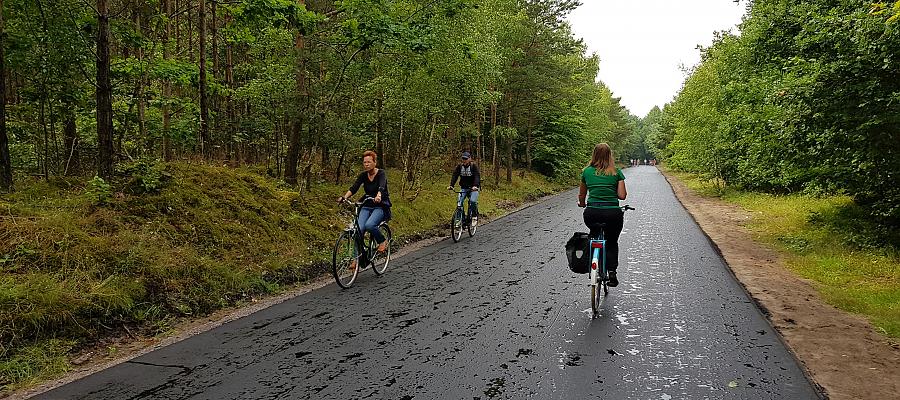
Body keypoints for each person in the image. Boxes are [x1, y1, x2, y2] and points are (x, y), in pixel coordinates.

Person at [578, 143, 627, 287]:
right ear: (609, 155)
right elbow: (622, 196)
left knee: (593, 234)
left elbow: (582, 195)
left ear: (594, 155)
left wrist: (582, 204)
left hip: (592, 213)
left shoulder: (586, 172)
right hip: (612, 214)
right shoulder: (616, 172)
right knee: (611, 241)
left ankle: (593, 261)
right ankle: (612, 272)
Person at [338, 151, 391, 270]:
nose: (366, 164)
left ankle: (382, 241)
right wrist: (344, 197)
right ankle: (355, 259)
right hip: (366, 204)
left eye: (369, 162)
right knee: (358, 230)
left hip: (379, 205)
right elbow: (354, 188)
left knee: (370, 225)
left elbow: (382, 186)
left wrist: (378, 195)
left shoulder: (381, 173)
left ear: (374, 162)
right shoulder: (363, 175)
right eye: (364, 162)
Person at [447, 151, 481, 223]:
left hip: (473, 188)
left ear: (470, 159)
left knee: (472, 201)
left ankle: (474, 216)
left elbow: (477, 176)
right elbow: (455, 175)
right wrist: (451, 185)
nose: (464, 160)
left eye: (466, 159)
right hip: (464, 188)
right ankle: (459, 220)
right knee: (459, 203)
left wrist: (475, 186)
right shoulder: (459, 167)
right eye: (463, 159)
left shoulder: (473, 166)